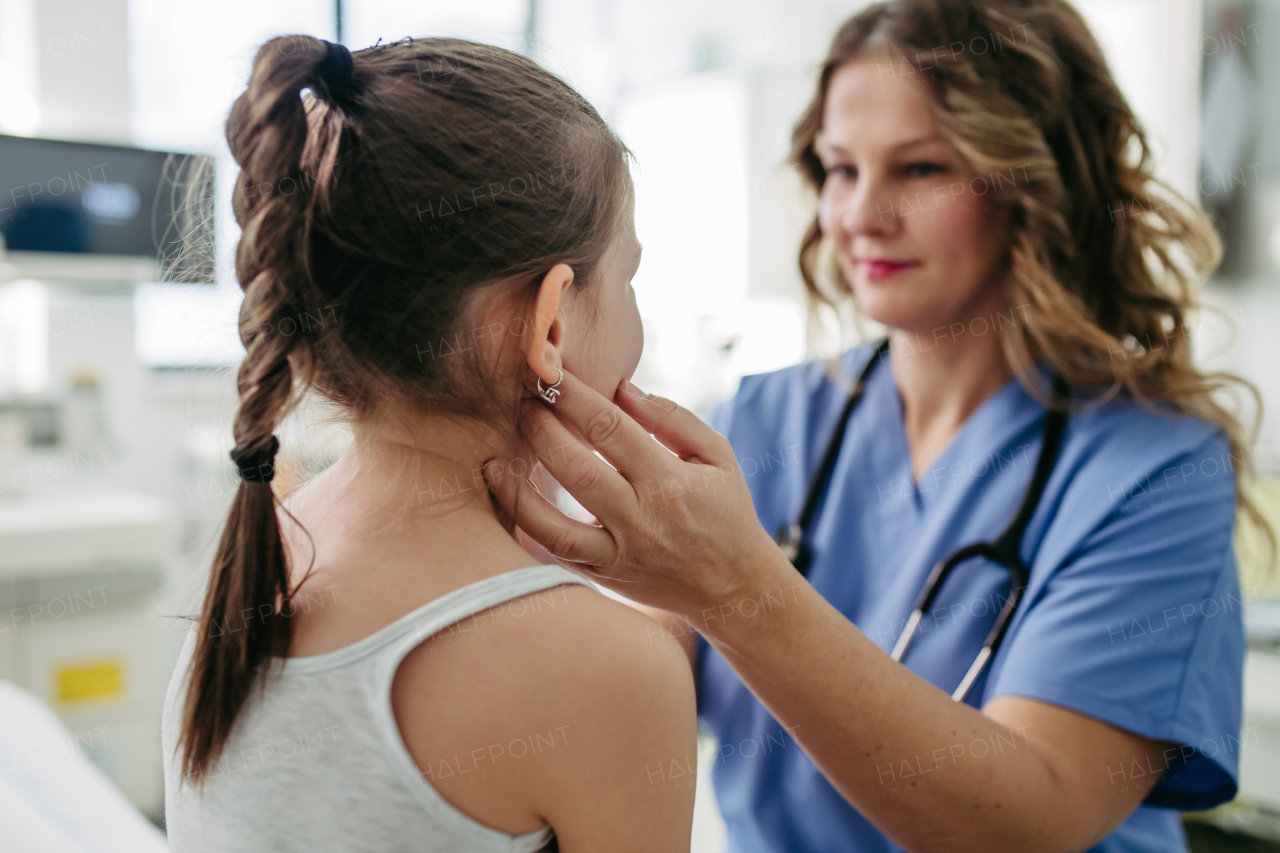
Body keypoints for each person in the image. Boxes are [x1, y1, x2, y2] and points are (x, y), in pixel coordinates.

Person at [487, 1, 1274, 851]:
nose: (861, 214)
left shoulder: (1155, 469)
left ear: (1035, 180)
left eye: (921, 168)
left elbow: (1039, 818)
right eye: (839, 169)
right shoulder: (764, 420)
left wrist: (735, 586)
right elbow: (639, 676)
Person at [161, 35, 697, 853]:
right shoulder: (613, 668)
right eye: (627, 279)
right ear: (551, 322)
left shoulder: (260, 554)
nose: (635, 321)